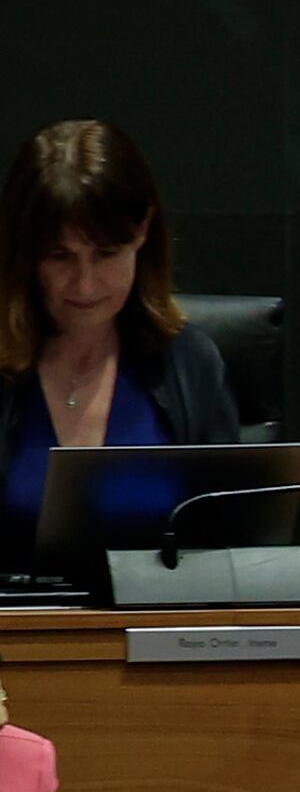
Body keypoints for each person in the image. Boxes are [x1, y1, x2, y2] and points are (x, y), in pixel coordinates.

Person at [0, 120, 243, 531]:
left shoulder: (189, 362)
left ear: (144, 230)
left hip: (165, 596)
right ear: (27, 252)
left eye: (106, 254)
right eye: (60, 257)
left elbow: (233, 540)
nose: (85, 283)